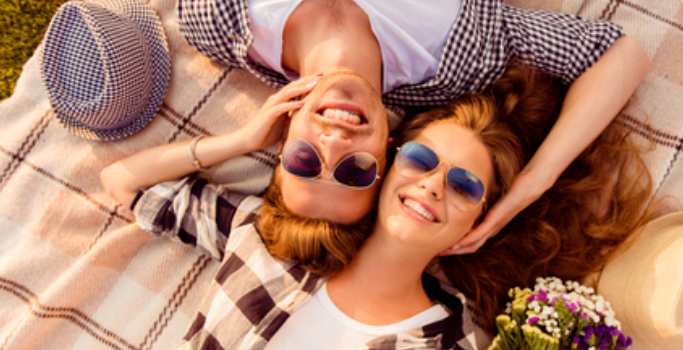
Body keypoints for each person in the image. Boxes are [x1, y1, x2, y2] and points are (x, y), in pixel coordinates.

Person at [101, 64, 653, 348]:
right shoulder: (264, 237)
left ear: (481, 220)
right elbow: (123, 181)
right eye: (421, 159)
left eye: (464, 186)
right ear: (389, 164)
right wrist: (243, 141)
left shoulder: (457, 340)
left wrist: (531, 185)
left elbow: (625, 56)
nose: (434, 185)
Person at [177, 0, 651, 251]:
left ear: (279, 141)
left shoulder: (212, 20)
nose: (335, 145)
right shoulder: (464, 57)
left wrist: (238, 141)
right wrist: (532, 182)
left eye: (305, 161)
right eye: (356, 172)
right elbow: (616, 54)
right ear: (389, 148)